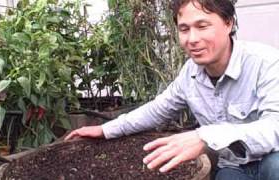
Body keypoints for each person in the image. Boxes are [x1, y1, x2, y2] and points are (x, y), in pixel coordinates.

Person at [65, 0, 279, 179]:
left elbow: (275, 127)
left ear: (228, 23)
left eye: (202, 26)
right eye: (184, 29)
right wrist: (106, 130)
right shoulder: (191, 74)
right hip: (233, 166)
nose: (192, 39)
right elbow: (157, 109)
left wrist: (205, 137)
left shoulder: (266, 63)